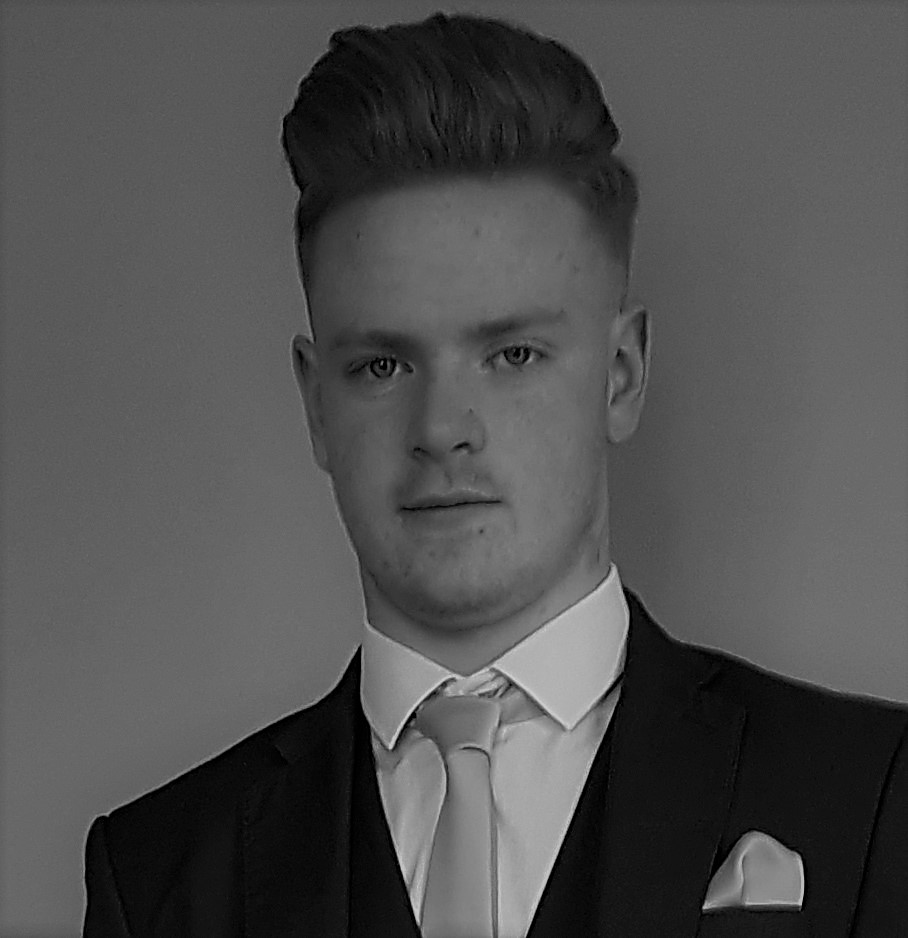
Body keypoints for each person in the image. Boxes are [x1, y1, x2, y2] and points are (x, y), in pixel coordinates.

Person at [82, 11, 906, 937]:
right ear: (316, 403)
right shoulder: (156, 874)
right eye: (381, 366)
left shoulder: (875, 795)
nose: (442, 429)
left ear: (621, 374)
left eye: (512, 355)